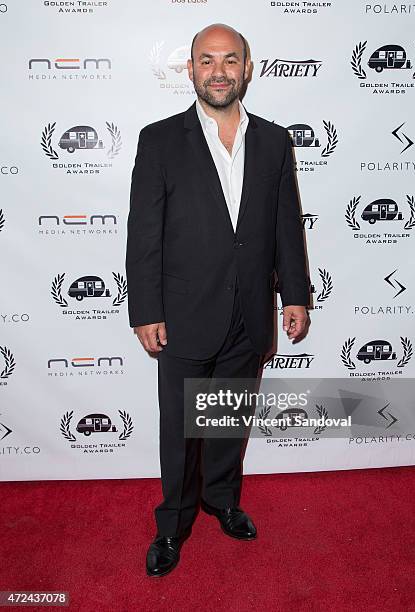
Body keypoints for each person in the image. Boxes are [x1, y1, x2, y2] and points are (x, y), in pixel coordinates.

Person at [126, 23, 310, 577]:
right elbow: (144, 232)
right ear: (191, 69)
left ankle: (222, 500)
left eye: (231, 60)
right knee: (181, 428)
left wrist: (295, 296)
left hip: (248, 310)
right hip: (182, 312)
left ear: (247, 69)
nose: (220, 71)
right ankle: (173, 524)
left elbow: (286, 225)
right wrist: (146, 310)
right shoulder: (159, 139)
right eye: (207, 61)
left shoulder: (276, 140)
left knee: (229, 419)